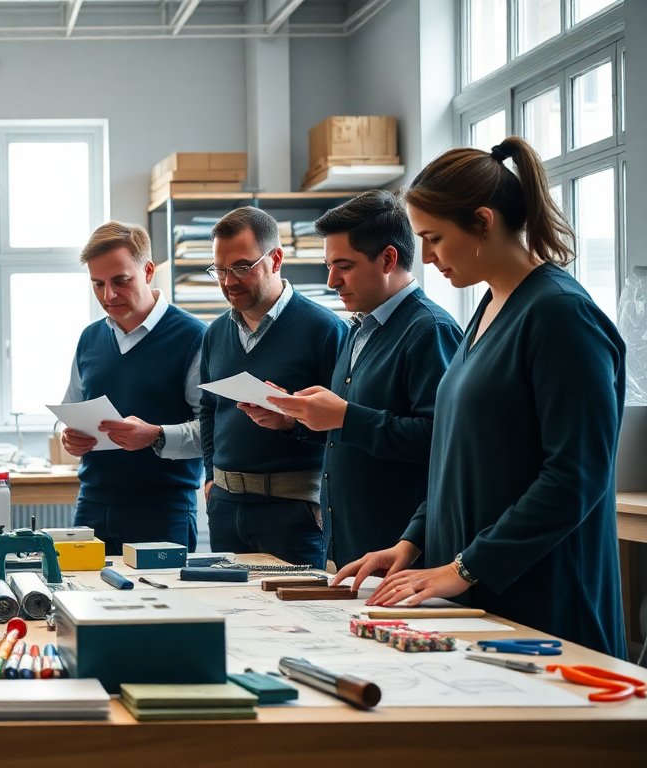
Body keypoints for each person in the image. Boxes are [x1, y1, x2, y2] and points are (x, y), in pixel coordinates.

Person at [335, 137, 627, 659]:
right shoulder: (488, 307)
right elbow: (457, 456)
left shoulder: (561, 315)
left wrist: (465, 566)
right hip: (476, 592)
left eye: (435, 238)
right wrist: (412, 542)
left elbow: (575, 477)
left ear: (484, 222)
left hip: (545, 599)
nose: (426, 257)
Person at [251, 191, 462, 567]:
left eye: (344, 266)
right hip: (351, 546)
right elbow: (351, 432)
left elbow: (442, 443)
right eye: (329, 265)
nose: (331, 280)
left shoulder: (430, 330)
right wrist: (293, 419)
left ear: (388, 259)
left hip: (402, 552)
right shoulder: (361, 326)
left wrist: (346, 416)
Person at [198, 206, 347, 569]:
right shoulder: (215, 333)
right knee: (231, 615)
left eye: (242, 267)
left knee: (299, 620)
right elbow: (207, 410)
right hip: (226, 506)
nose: (229, 281)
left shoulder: (325, 329)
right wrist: (209, 479)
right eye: (220, 269)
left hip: (292, 510)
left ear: (276, 259)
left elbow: (344, 427)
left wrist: (292, 422)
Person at [60, 221, 207, 554]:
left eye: (120, 281)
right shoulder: (90, 338)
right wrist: (67, 436)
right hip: (92, 507)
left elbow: (212, 432)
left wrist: (155, 435)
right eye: (97, 284)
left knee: (165, 605)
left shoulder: (194, 337)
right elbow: (69, 410)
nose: (108, 295)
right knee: (82, 602)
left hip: (163, 511)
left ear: (149, 271)